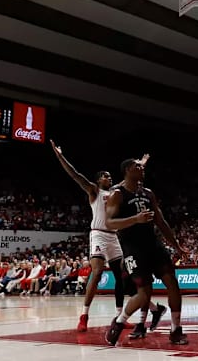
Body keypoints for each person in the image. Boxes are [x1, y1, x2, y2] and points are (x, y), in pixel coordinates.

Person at [51, 141, 166, 333]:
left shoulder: (117, 192)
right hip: (98, 236)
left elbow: (132, 176)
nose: (108, 177)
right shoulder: (94, 191)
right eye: (105, 176)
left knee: (125, 278)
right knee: (96, 273)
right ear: (98, 181)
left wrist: (142, 163)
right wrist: (60, 156)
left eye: (110, 175)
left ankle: (129, 312)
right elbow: (75, 175)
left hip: (115, 236)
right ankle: (84, 315)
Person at [104, 158, 189, 346]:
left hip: (153, 244)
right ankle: (119, 323)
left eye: (142, 166)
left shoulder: (148, 193)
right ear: (127, 170)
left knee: (173, 284)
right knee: (143, 293)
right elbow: (109, 223)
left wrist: (176, 246)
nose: (142, 169)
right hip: (133, 247)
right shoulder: (117, 194)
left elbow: (161, 221)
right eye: (138, 166)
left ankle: (176, 330)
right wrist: (135, 219)